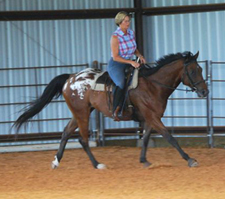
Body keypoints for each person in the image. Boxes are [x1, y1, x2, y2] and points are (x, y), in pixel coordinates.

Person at [107, 11, 146, 121]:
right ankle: (115, 110)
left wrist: (139, 55)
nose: (128, 23)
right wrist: (131, 62)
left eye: (129, 21)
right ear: (120, 22)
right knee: (120, 83)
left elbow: (134, 48)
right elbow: (115, 57)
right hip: (117, 64)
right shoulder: (115, 37)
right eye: (126, 21)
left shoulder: (131, 33)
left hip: (129, 61)